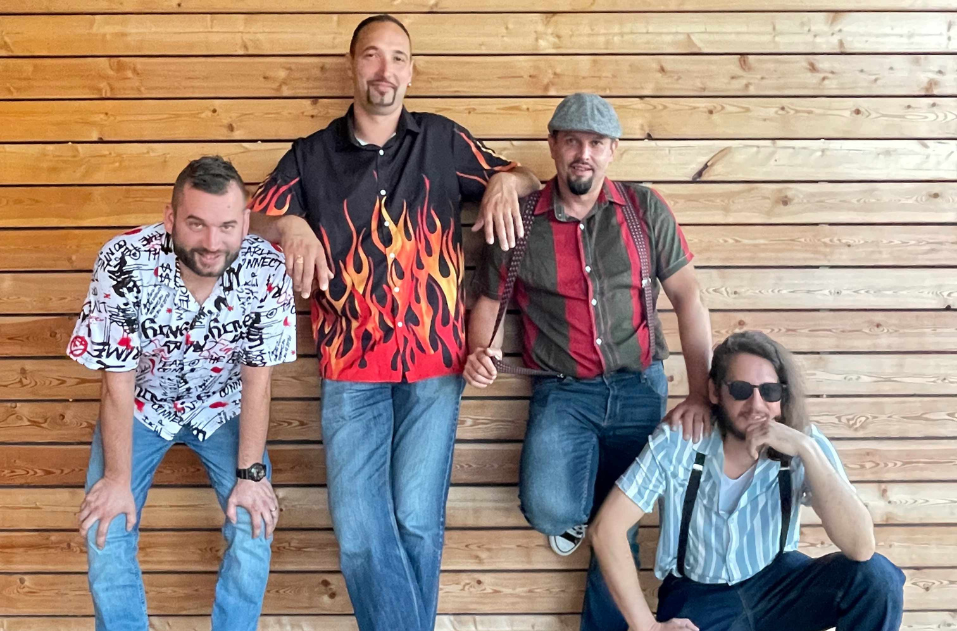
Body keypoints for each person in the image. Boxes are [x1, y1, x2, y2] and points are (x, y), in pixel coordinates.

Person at [244, 14, 541, 631]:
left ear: (411, 71)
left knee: (416, 522)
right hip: (351, 366)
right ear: (353, 66)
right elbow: (247, 219)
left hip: (435, 366)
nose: (386, 70)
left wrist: (507, 183)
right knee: (359, 533)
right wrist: (289, 224)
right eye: (373, 55)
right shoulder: (311, 155)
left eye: (398, 57)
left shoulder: (443, 140)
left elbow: (527, 179)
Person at [466, 93, 713, 631]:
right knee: (551, 509)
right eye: (573, 141)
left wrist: (700, 394)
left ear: (612, 150)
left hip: (640, 387)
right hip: (563, 393)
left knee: (620, 524)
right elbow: (488, 301)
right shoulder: (520, 219)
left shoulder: (644, 209)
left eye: (596, 143)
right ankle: (594, 516)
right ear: (553, 145)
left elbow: (689, 298)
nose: (584, 154)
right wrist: (481, 351)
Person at [69, 156, 297, 631]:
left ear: (245, 223)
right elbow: (116, 381)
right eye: (196, 224)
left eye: (226, 226)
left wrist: (251, 476)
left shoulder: (267, 268)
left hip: (224, 407)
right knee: (105, 525)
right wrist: (116, 480)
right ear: (171, 218)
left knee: (254, 522)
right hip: (141, 405)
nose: (212, 243)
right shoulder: (124, 261)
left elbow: (258, 379)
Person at [591, 331, 905, 631]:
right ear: (715, 391)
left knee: (877, 578)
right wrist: (646, 625)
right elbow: (606, 529)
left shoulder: (804, 443)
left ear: (782, 396)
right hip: (700, 594)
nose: (756, 404)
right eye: (741, 390)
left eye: (770, 391)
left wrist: (806, 449)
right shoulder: (680, 441)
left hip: (780, 588)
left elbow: (861, 547)